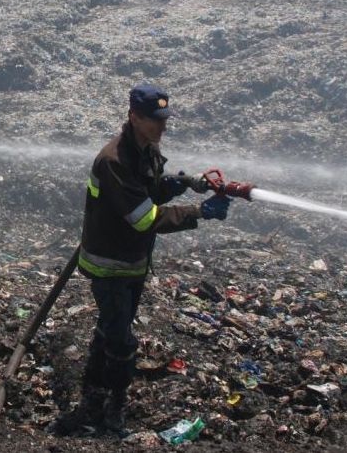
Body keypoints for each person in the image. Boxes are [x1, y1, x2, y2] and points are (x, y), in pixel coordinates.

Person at [56, 84, 231, 435]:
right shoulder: (113, 161)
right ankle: (113, 404)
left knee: (111, 328)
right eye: (154, 121)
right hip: (109, 264)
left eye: (164, 120)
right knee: (122, 340)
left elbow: (149, 187)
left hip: (132, 260)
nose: (161, 127)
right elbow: (145, 218)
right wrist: (199, 212)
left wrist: (181, 183)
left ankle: (93, 390)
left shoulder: (146, 149)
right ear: (134, 117)